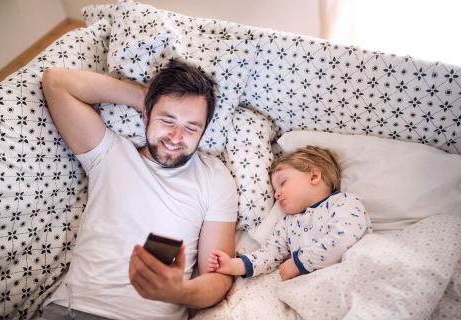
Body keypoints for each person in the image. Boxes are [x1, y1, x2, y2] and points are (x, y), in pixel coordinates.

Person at [39, 59, 238, 320]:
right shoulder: (108, 153)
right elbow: (55, 82)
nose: (177, 137)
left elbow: (219, 278)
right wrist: (144, 95)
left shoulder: (214, 177)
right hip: (74, 311)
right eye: (167, 120)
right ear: (146, 115)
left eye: (191, 127)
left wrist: (178, 292)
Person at [208, 146, 372, 281]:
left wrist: (299, 263)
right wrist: (234, 265)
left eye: (283, 183)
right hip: (318, 284)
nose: (276, 194)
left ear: (314, 176)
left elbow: (342, 240)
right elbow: (269, 255)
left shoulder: (344, 202)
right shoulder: (288, 223)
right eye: (274, 190)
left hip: (356, 272)